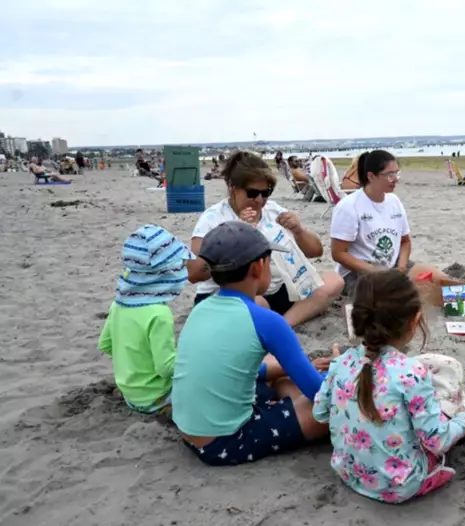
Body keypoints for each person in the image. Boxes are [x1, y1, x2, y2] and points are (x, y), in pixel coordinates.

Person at [313, 270, 465, 503]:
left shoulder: (341, 362)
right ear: (414, 321)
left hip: (348, 472)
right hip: (402, 485)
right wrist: (464, 420)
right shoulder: (410, 373)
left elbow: (320, 413)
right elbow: (436, 442)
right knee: (448, 393)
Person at [172, 221, 331, 466]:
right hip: (225, 441)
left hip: (190, 431)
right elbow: (322, 396)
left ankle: (288, 390)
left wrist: (285, 370)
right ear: (258, 266)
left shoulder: (201, 308)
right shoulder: (268, 321)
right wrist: (340, 372)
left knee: (278, 374)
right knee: (333, 408)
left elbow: (229, 367)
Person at [188, 151, 343, 327]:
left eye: (266, 192)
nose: (259, 200)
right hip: (229, 293)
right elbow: (195, 273)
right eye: (252, 193)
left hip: (276, 288)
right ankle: (275, 323)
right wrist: (239, 237)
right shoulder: (214, 218)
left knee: (332, 282)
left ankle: (283, 324)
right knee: (257, 303)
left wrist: (299, 230)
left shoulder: (272, 210)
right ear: (232, 188)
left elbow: (315, 252)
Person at [330, 149, 452, 295]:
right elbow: (338, 253)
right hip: (359, 273)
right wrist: (375, 271)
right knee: (398, 294)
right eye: (389, 175)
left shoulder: (394, 201)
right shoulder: (349, 206)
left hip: (393, 267)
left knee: (439, 280)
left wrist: (401, 268)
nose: (395, 179)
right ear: (371, 176)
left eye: (397, 173)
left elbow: (405, 241)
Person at [98, 225, 192, 415]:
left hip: (130, 394)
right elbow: (166, 368)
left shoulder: (118, 305)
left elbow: (105, 345)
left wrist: (135, 365)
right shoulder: (159, 314)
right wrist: (193, 360)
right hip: (157, 397)